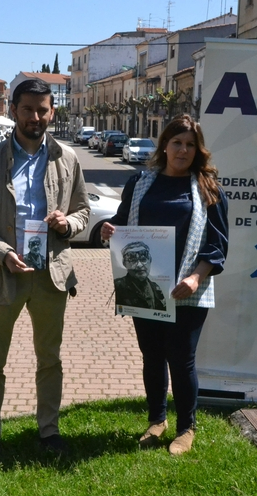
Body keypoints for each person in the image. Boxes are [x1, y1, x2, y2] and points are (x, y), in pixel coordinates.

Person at [0, 79, 91, 465]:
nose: (36, 117)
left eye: (43, 110)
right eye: (28, 109)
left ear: (52, 112)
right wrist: (0, 252)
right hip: (4, 274)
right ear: (14, 109)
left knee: (49, 358)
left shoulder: (67, 158)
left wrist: (67, 224)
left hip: (52, 275)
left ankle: (49, 431)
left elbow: (83, 209)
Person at [101, 114, 228, 456]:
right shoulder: (141, 183)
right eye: (176, 142)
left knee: (182, 359)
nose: (183, 150)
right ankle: (157, 420)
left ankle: (186, 428)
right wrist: (109, 230)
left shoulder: (208, 188)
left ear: (198, 150)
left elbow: (218, 245)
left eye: (190, 144)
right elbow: (122, 222)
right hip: (148, 291)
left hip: (189, 290)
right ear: (165, 145)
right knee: (152, 357)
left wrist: (195, 277)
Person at [114, 241, 166, 310]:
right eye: (133, 260)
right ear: (125, 264)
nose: (139, 265)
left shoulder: (156, 288)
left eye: (143, 259)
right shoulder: (119, 285)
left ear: (150, 261)